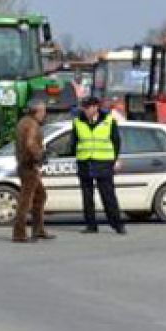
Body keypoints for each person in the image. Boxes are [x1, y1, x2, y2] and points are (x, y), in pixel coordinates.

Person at [71, 95, 126, 235]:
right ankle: (91, 225)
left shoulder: (108, 121)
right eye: (84, 107)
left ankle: (117, 225)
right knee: (87, 197)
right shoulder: (78, 121)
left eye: (88, 107)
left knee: (108, 195)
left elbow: (116, 141)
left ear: (96, 108)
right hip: (85, 162)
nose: (85, 110)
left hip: (103, 163)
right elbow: (73, 142)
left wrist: (115, 160)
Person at [13, 98, 55, 243]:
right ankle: (19, 233)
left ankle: (38, 230)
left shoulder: (23, 122)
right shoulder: (32, 124)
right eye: (42, 110)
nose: (44, 113)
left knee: (40, 196)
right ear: (35, 111)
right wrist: (40, 156)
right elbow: (30, 144)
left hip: (24, 164)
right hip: (29, 166)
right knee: (26, 200)